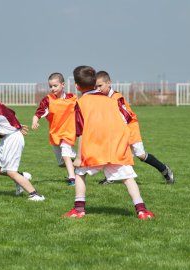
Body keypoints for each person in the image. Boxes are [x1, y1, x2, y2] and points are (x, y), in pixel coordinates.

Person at [63, 66, 154, 220]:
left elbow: (81, 131)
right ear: (95, 83)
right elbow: (126, 118)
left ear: (77, 86)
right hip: (116, 147)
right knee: (128, 178)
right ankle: (142, 210)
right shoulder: (111, 100)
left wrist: (78, 157)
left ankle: (79, 209)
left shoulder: (81, 102)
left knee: (80, 173)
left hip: (93, 147)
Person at [95, 71, 174, 184]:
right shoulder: (103, 97)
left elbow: (126, 116)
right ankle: (111, 178)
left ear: (108, 83)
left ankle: (164, 170)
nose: (98, 89)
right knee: (112, 152)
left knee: (140, 155)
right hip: (119, 130)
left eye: (100, 86)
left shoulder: (116, 97)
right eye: (96, 86)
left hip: (130, 128)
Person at [31, 72, 78, 185]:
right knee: (62, 162)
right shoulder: (47, 100)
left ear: (63, 84)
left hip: (68, 132)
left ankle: (72, 179)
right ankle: (78, 162)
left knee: (66, 154)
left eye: (55, 86)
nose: (52, 88)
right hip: (55, 133)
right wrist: (34, 122)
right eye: (50, 86)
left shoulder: (72, 98)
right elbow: (37, 113)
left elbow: (82, 111)